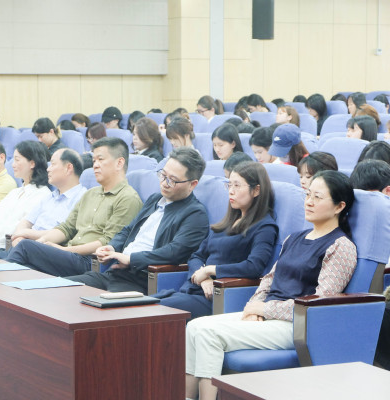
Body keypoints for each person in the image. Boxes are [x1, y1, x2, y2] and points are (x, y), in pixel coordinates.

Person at [185, 170, 357, 400]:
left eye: (317, 197)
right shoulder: (294, 238)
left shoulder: (341, 246)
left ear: (339, 206)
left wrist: (266, 309)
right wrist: (254, 306)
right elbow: (269, 279)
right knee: (194, 327)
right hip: (268, 315)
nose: (309, 202)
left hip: (296, 325)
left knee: (208, 334)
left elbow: (318, 304)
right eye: (308, 195)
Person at [66, 148, 210, 294]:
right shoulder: (154, 199)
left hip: (142, 280)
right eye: (163, 175)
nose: (164, 183)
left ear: (192, 184)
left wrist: (131, 259)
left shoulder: (195, 214)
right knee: (63, 288)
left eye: (172, 180)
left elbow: (173, 252)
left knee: (96, 302)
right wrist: (112, 247)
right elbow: (128, 230)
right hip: (115, 272)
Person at [4, 137, 143, 276]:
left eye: (101, 160)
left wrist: (61, 250)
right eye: (94, 161)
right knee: (27, 264)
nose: (95, 165)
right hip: (70, 254)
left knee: (25, 247)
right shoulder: (90, 194)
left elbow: (108, 243)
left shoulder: (128, 198)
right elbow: (66, 228)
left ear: (119, 163)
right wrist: (41, 243)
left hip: (91, 262)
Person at [157, 162, 278, 319]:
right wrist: (203, 279)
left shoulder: (265, 226)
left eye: (237, 186)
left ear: (256, 190)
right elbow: (196, 256)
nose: (231, 191)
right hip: (194, 289)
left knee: (152, 310)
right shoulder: (225, 224)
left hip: (217, 297)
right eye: (229, 185)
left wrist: (210, 270)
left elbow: (254, 266)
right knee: (141, 304)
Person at [0, 149, 87, 259]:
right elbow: (26, 222)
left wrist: (25, 234)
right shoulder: (49, 197)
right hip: (24, 248)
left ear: (68, 168)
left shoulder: (82, 198)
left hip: (48, 253)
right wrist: (19, 236)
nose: (48, 169)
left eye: (53, 164)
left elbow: (63, 232)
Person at [0, 141, 51, 252]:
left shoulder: (42, 194)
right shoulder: (15, 192)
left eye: (17, 160)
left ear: (32, 164)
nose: (13, 165)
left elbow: (15, 229)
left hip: (6, 249)